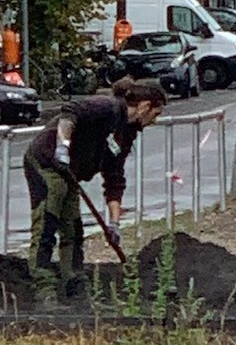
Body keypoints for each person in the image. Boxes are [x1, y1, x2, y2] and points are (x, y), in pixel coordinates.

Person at [23, 77, 166, 305]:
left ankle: (74, 283)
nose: (154, 121)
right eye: (156, 114)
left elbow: (114, 180)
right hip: (47, 161)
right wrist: (63, 147)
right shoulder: (108, 108)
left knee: (73, 229)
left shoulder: (126, 134)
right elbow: (70, 112)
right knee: (48, 222)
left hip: (70, 172)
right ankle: (44, 287)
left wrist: (114, 224)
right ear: (145, 105)